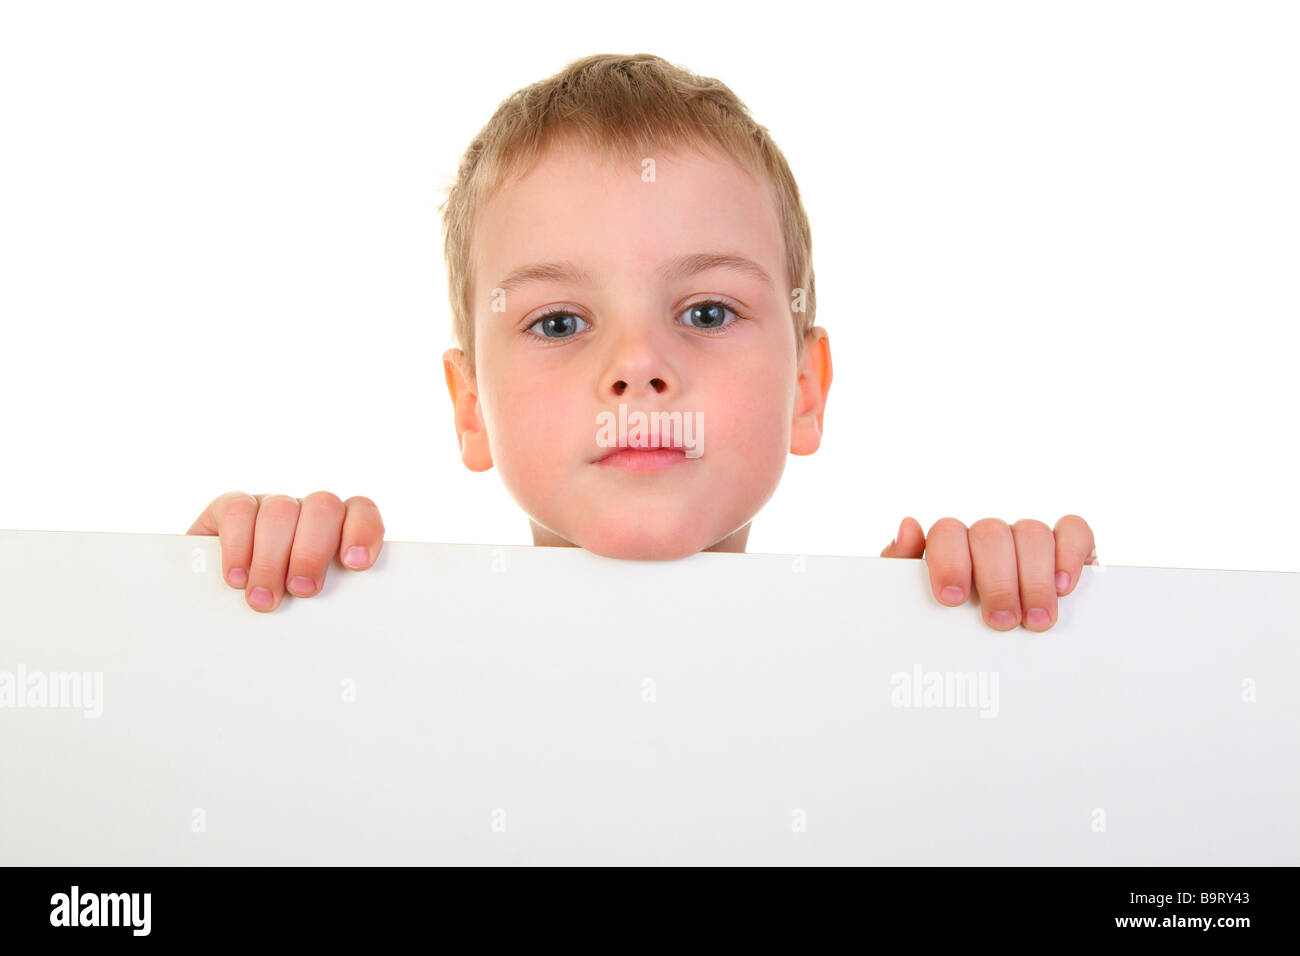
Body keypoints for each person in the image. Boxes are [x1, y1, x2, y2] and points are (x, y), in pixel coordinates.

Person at [187, 53, 1097, 630]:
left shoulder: (901, 655)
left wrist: (999, 622)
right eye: (558, 323)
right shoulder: (368, 642)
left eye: (705, 312)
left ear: (806, 391)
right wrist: (214, 597)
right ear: (471, 410)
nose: (637, 369)